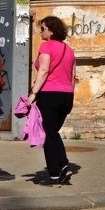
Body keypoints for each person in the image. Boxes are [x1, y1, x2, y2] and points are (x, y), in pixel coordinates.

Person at [25, 15, 76, 184]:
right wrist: (71, 98)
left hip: (50, 94)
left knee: (48, 133)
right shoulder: (69, 50)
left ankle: (55, 172)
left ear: (51, 31)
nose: (41, 32)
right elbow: (73, 75)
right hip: (66, 95)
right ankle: (62, 166)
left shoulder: (46, 46)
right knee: (52, 132)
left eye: (43, 29)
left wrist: (33, 93)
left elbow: (44, 70)